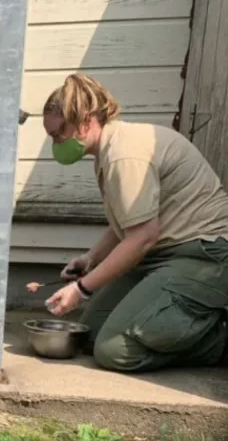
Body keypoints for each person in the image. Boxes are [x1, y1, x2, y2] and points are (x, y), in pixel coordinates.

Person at [31, 73, 228, 373]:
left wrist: (82, 289)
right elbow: (131, 221)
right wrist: (91, 258)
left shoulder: (125, 155)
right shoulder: (110, 150)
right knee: (90, 331)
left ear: (85, 121)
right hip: (161, 255)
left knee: (115, 351)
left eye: (59, 134)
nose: (55, 143)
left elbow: (143, 237)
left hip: (205, 255)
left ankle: (218, 336)